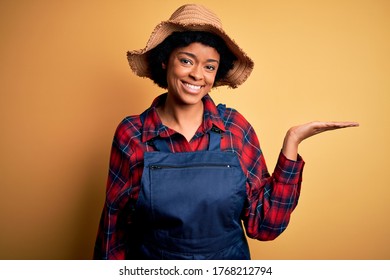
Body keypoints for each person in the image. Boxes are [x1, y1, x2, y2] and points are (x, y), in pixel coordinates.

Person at [93, 4, 358, 260]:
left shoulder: (235, 128)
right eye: (186, 60)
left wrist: (292, 144)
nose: (198, 74)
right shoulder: (132, 133)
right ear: (165, 61)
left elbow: (265, 226)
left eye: (209, 66)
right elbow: (114, 228)